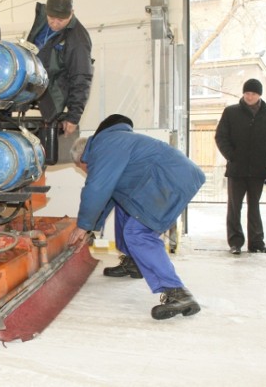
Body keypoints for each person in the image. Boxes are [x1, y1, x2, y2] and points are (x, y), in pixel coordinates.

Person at [67, 114, 206, 320]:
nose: (86, 173)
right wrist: (90, 229)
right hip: (171, 175)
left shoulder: (102, 148)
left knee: (138, 233)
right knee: (124, 208)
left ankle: (177, 292)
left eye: (82, 169)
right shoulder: (111, 144)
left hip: (170, 179)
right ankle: (133, 262)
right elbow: (108, 198)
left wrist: (82, 225)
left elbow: (96, 188)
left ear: (83, 159)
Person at [215, 78, 266, 255]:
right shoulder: (231, 112)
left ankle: (256, 242)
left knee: (255, 206)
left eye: (253, 93)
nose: (249, 96)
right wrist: (231, 156)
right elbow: (221, 137)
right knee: (234, 206)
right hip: (237, 169)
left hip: (259, 170)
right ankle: (235, 242)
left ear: (259, 95)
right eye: (247, 93)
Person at [26, 0, 93, 136]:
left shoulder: (78, 40)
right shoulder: (42, 18)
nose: (54, 24)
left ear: (72, 13)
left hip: (51, 92)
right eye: (51, 18)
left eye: (60, 20)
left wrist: (73, 116)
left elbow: (81, 78)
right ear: (47, 12)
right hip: (30, 80)